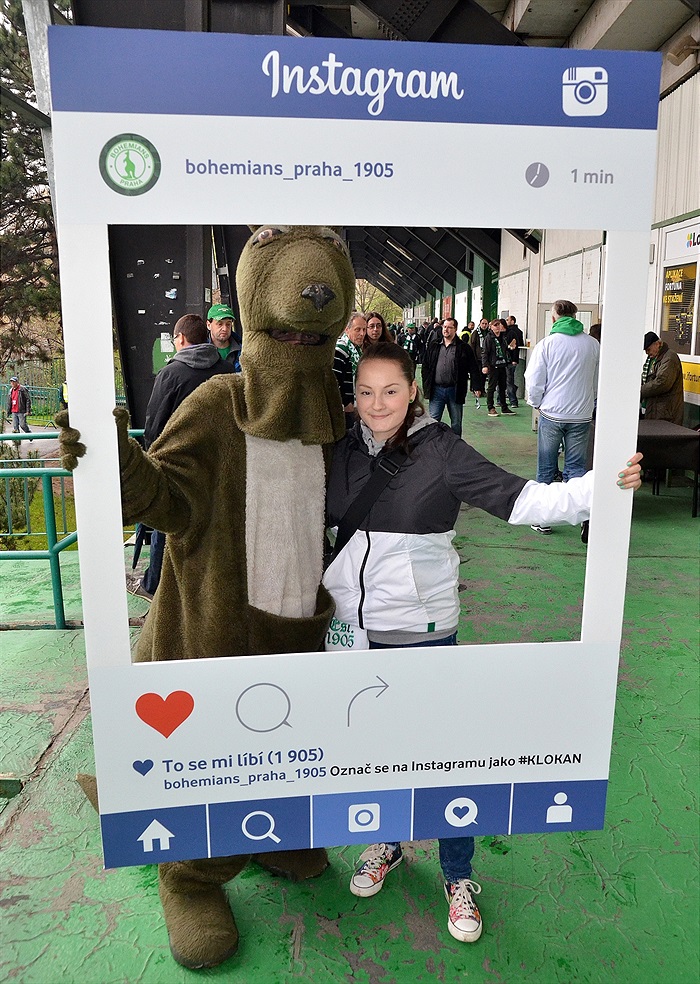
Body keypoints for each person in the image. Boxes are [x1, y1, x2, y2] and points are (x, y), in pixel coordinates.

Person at [322, 342, 642, 946]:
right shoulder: (336, 452)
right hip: (350, 637)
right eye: (365, 392)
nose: (376, 404)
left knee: (442, 758)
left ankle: (458, 875)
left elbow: (523, 500)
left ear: (413, 390)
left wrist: (601, 485)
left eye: (391, 390)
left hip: (422, 635)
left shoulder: (441, 451)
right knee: (373, 751)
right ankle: (385, 842)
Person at [127, 314, 236, 602]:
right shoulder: (226, 371)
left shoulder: (171, 374)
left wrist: (154, 458)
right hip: (219, 465)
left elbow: (154, 424)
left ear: (181, 339)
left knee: (168, 524)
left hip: (179, 466)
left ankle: (155, 584)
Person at [525, 300, 600, 535]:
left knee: (546, 467)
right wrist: (591, 402)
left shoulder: (547, 344)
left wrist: (536, 403)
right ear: (576, 316)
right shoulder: (592, 344)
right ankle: (579, 517)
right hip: (581, 415)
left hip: (552, 413)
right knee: (576, 469)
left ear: (554, 318)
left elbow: (534, 379)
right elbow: (597, 379)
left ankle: (543, 519)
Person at [421, 317, 480, 436]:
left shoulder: (463, 348)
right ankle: (433, 447)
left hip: (455, 390)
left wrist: (477, 386)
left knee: (456, 423)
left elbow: (473, 368)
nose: (446, 329)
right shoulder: (434, 345)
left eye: (449, 327)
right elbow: (425, 366)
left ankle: (456, 448)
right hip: (436, 390)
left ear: (455, 329)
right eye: (444, 327)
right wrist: (426, 384)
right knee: (433, 421)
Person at [640, 331, 684, 425]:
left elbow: (662, 383)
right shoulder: (653, 358)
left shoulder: (670, 358)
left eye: (648, 349)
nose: (647, 353)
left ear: (657, 344)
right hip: (655, 410)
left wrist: (639, 391)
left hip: (665, 414)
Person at [334, 312, 366, 429]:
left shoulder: (357, 350)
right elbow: (334, 382)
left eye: (364, 329)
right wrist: (347, 404)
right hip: (345, 409)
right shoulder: (340, 350)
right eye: (357, 329)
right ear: (347, 330)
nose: (362, 334)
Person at [482, 319, 515, 417]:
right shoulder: (489, 338)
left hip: (502, 365)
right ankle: (490, 407)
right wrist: (485, 365)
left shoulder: (502, 337)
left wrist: (510, 347)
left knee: (502, 387)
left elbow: (503, 349)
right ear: (491, 327)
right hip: (493, 366)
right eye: (495, 325)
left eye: (498, 325)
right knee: (491, 387)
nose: (497, 327)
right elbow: (485, 353)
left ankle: (504, 407)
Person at [207, 303, 242, 370]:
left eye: (228, 324)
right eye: (220, 324)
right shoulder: (200, 352)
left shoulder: (242, 351)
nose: (225, 329)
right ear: (209, 325)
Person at [504, 316, 525, 408]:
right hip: (511, 359)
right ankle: (506, 398)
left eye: (508, 320)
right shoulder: (519, 331)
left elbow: (516, 346)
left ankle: (512, 399)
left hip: (510, 359)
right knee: (508, 380)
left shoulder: (512, 333)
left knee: (509, 380)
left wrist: (514, 359)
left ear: (512, 321)